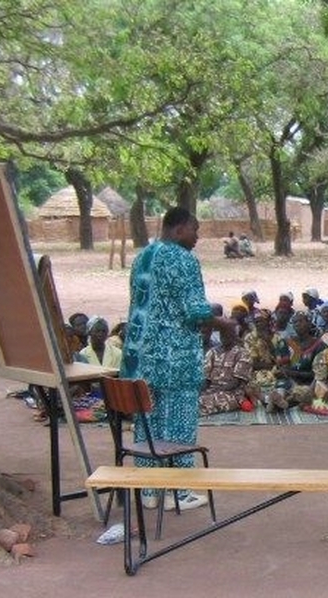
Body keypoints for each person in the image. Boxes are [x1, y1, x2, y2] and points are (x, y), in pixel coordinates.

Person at [120, 206, 234, 511]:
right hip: (176, 357)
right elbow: (195, 311)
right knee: (180, 421)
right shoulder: (184, 259)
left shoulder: (143, 256)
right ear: (179, 228)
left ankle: (149, 490)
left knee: (149, 420)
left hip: (144, 356)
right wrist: (225, 324)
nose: (197, 236)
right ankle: (179, 491)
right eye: (195, 229)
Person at [198, 324, 253, 416]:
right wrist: (200, 390)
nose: (224, 337)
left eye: (228, 334)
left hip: (232, 392)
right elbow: (206, 378)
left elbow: (236, 382)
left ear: (234, 336)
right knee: (190, 398)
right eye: (222, 334)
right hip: (212, 389)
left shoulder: (243, 353)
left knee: (205, 401)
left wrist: (215, 391)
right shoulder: (212, 352)